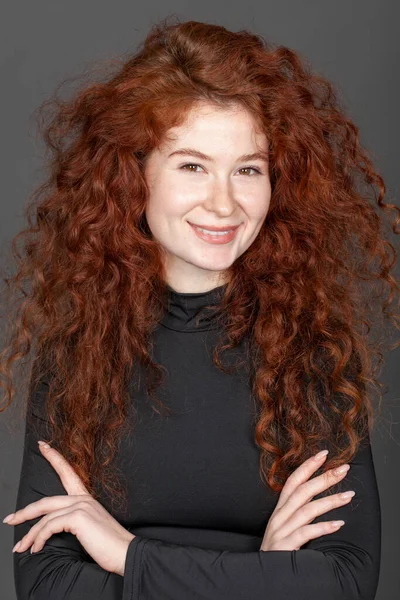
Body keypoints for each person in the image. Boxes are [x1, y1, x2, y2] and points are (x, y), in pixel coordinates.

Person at [1, 16, 397, 600]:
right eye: (192, 165)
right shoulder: (79, 351)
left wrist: (125, 554)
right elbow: (48, 584)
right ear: (135, 178)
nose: (224, 202)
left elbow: (342, 582)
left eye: (248, 170)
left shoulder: (314, 354)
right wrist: (261, 576)